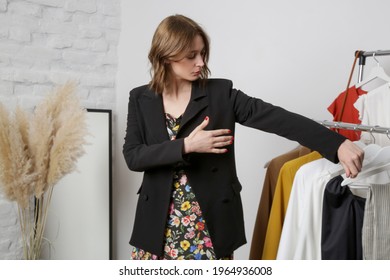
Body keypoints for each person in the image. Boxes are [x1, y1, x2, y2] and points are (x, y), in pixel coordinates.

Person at [123, 14, 364, 260]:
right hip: (156, 226)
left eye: (203, 53)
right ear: (166, 55)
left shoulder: (220, 94)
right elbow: (133, 156)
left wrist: (338, 144)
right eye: (191, 55)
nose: (201, 62)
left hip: (207, 226)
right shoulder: (141, 98)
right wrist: (186, 145)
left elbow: (278, 118)